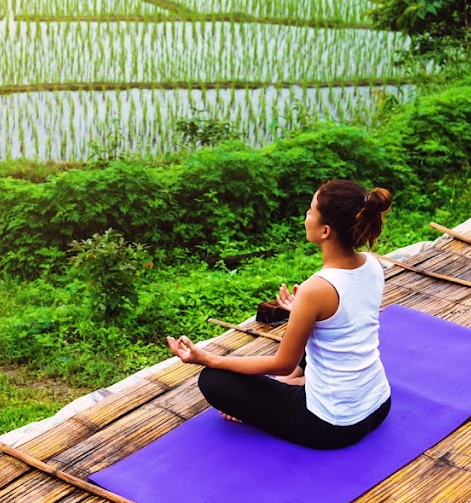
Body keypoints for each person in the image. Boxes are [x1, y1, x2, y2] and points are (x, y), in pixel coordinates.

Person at [166, 179, 393, 449]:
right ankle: (298, 382)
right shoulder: (372, 263)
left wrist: (208, 358)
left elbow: (282, 364)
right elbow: (348, 316)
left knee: (213, 380)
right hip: (378, 403)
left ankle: (285, 391)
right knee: (321, 343)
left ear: (325, 230)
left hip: (335, 425)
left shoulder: (315, 289)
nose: (305, 216)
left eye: (310, 211)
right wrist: (303, 311)